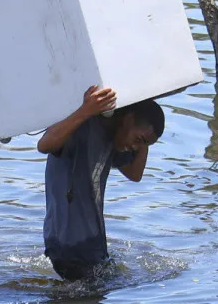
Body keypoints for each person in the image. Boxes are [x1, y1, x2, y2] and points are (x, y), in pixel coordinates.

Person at [38, 86, 164, 281]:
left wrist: (144, 102)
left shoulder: (112, 139)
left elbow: (135, 173)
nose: (135, 147)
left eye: (143, 144)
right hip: (69, 247)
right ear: (128, 119)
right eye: (138, 139)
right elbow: (44, 144)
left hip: (92, 247)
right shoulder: (82, 128)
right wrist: (85, 110)